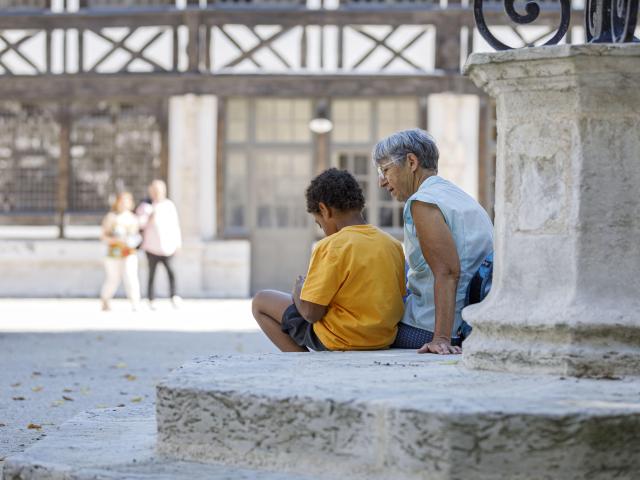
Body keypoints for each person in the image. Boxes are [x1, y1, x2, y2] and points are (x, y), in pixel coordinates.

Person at [252, 168, 406, 352]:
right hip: (382, 339)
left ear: (324, 210)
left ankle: (301, 360)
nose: (323, 229)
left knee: (261, 301)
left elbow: (311, 313)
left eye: (319, 223)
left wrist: (298, 291)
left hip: (338, 339)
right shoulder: (392, 244)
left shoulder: (331, 245)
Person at [372, 128, 494, 355]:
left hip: (431, 328)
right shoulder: (459, 197)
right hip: (469, 320)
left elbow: (447, 271)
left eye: (385, 170)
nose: (381, 181)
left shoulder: (422, 202)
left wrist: (440, 338)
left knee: (354, 327)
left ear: (411, 162)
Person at [136, 179, 182, 309]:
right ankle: (151, 299)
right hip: (151, 246)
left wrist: (178, 243)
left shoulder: (169, 205)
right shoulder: (145, 206)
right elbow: (139, 224)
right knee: (152, 273)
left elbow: (175, 225)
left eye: (159, 190)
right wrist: (149, 217)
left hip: (167, 246)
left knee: (171, 271)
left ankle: (174, 295)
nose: (157, 193)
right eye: (155, 190)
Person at [100, 192, 142, 311]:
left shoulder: (133, 218)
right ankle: (105, 299)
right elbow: (103, 236)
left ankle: (135, 302)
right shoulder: (111, 217)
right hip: (114, 254)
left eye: (127, 201)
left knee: (131, 276)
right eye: (122, 201)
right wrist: (115, 240)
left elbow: (136, 235)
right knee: (113, 278)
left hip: (129, 252)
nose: (124, 204)